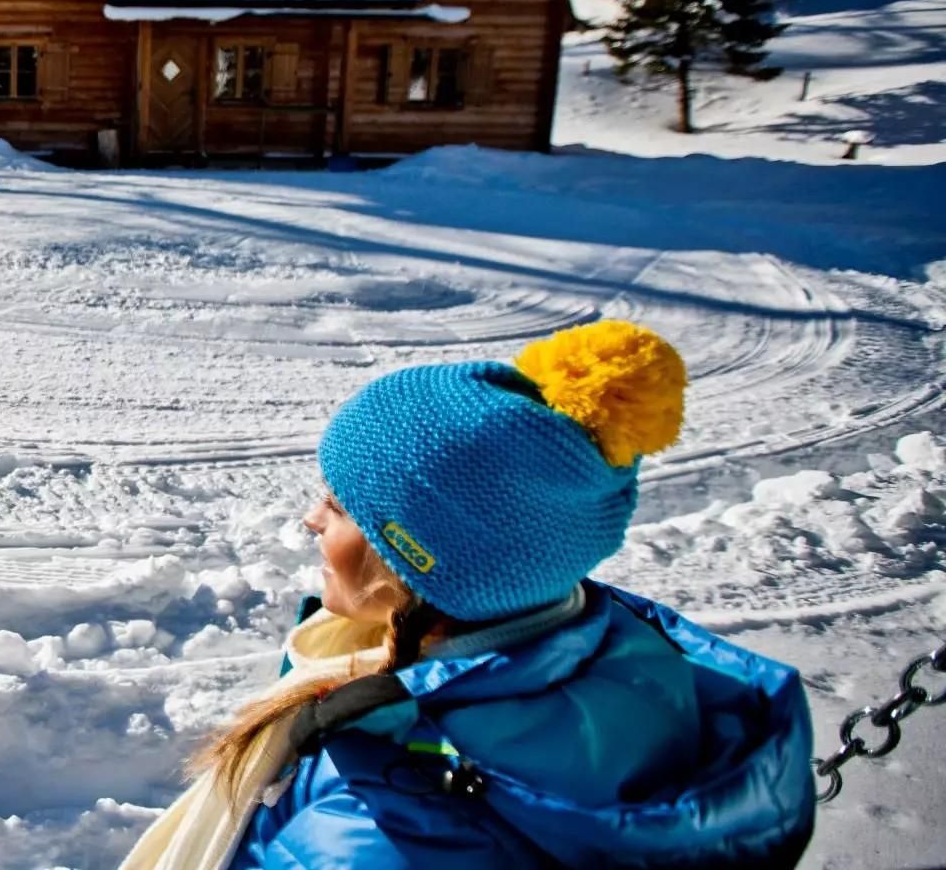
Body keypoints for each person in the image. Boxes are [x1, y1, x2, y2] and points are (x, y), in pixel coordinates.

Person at [123, 321, 818, 869]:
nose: (311, 520)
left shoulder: (381, 823)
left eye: (338, 506)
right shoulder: (610, 654)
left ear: (419, 562)